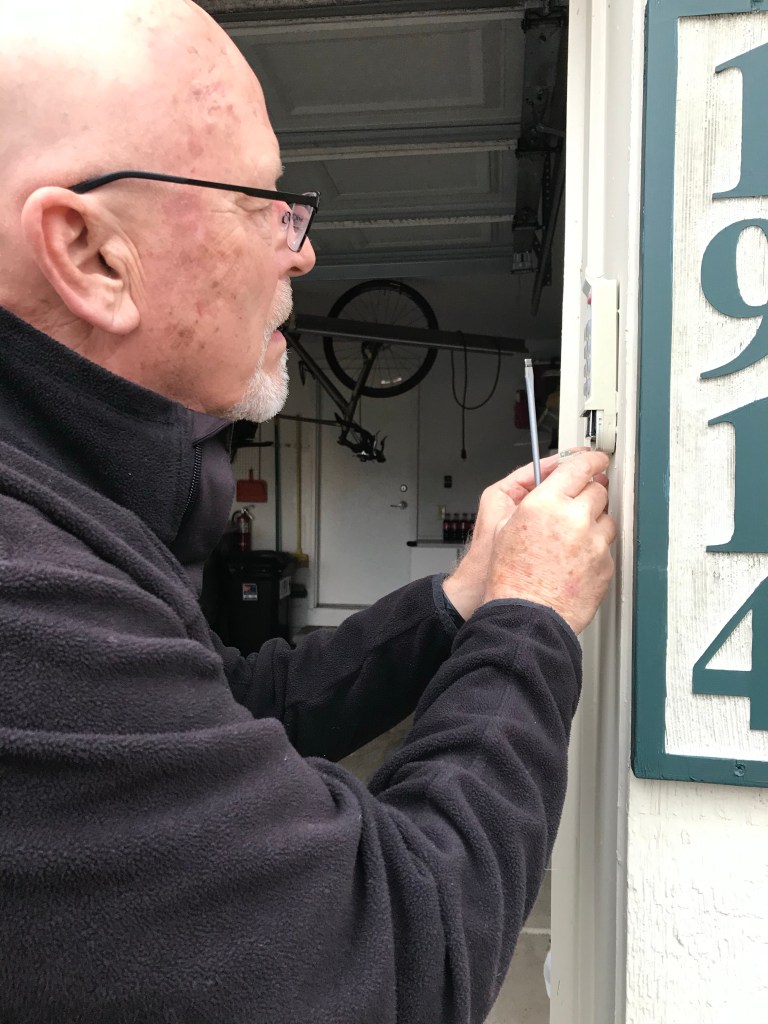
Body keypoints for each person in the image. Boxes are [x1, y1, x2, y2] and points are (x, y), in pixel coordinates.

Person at [0, 1, 617, 1021]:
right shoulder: (24, 601)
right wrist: (530, 619)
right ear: (93, 254)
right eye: (263, 205)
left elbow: (236, 701)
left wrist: (462, 601)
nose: (303, 252)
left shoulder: (67, 506)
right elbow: (392, 959)